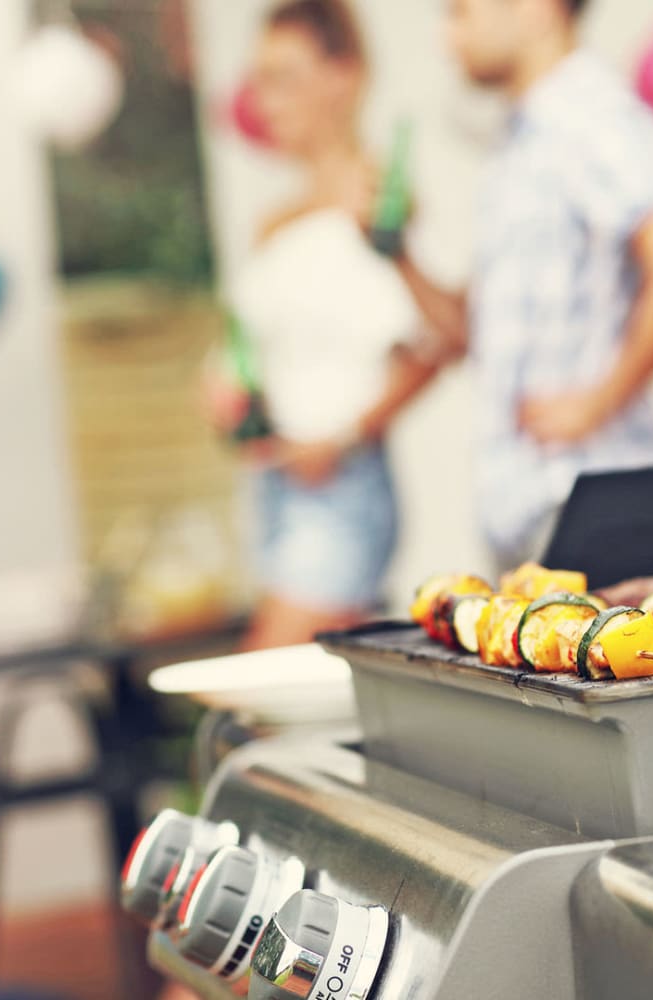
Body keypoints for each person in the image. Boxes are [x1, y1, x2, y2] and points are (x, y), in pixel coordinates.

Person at [443, 0, 653, 574]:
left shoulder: (590, 116)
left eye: (460, 11)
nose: (448, 37)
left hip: (589, 510)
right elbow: (477, 332)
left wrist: (598, 400)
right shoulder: (522, 140)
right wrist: (394, 253)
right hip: (529, 513)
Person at [225, 0, 465, 650]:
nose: (265, 99)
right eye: (259, 80)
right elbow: (261, 352)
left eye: (284, 76)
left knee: (259, 687)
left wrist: (344, 436)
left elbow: (435, 344)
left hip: (341, 487)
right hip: (274, 484)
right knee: (323, 704)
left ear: (344, 76)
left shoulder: (384, 198)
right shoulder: (275, 220)